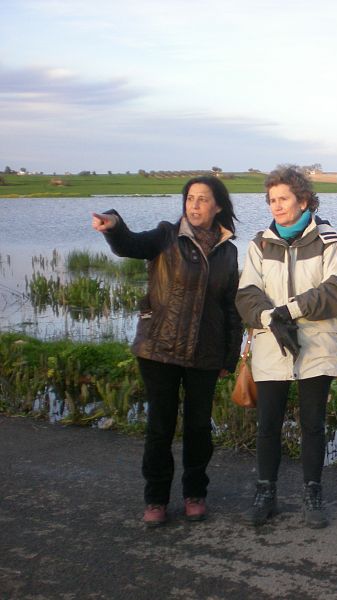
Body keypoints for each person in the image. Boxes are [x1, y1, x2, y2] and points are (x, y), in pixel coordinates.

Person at [91, 176, 242, 527]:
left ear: (218, 205)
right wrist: (113, 224)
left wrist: (229, 357)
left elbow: (230, 307)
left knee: (199, 428)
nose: (194, 205)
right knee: (160, 427)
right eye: (190, 198)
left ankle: (194, 493)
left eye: (203, 199)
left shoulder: (228, 250)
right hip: (159, 348)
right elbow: (129, 243)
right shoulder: (165, 236)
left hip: (205, 353)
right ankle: (156, 498)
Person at [235, 166, 337, 529]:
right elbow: (246, 294)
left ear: (303, 199)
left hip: (318, 345)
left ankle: (312, 492)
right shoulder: (259, 244)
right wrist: (269, 319)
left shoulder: (328, 240)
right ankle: (266, 492)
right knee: (268, 424)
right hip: (272, 345)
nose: (277, 206)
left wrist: (290, 310)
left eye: (283, 199)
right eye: (272, 200)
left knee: (312, 425)